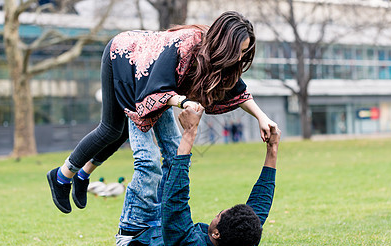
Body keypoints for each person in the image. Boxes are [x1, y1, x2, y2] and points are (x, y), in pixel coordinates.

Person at [47, 11, 276, 214]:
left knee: (134, 136)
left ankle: (83, 175)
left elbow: (236, 89)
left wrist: (261, 117)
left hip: (156, 80)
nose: (239, 57)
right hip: (125, 57)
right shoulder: (185, 44)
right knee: (111, 129)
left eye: (244, 52)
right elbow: (157, 87)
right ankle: (61, 176)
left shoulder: (220, 57)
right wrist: (183, 102)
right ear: (225, 42)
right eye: (237, 51)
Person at [113, 107, 280, 246]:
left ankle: (133, 103)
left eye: (218, 215)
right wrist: (272, 150)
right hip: (163, 226)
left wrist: (190, 131)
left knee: (149, 164)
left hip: (137, 235)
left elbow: (174, 202)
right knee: (175, 157)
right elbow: (259, 206)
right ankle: (157, 98)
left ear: (216, 234)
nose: (217, 214)